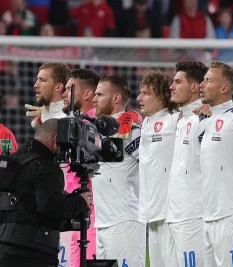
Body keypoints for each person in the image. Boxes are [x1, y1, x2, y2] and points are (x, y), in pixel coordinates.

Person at [0, 119, 92, 267]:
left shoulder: (16, 160)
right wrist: (80, 201)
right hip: (35, 253)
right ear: (56, 139)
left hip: (5, 248)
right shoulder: (47, 168)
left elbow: (29, 207)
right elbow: (50, 207)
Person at [199, 61, 233, 267]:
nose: (202, 84)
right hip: (209, 217)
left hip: (232, 216)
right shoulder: (206, 121)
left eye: (208, 80)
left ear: (224, 88)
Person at [91, 76, 145, 266]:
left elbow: (148, 165)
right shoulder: (97, 130)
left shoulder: (130, 129)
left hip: (124, 221)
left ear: (116, 98)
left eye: (99, 94)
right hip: (102, 222)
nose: (94, 99)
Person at [166, 61, 208, 267]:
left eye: (177, 82)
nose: (171, 87)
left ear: (194, 87)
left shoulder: (204, 120)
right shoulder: (181, 120)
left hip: (194, 216)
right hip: (174, 215)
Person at [137, 71, 179, 267]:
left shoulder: (175, 119)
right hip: (151, 212)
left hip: (170, 213)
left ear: (162, 97)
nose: (139, 98)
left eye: (146, 93)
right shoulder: (146, 123)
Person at [61, 69, 100, 267]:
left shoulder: (95, 126)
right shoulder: (74, 124)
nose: (64, 93)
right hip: (77, 210)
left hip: (92, 211)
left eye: (69, 89)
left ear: (87, 94)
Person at [26, 62, 71, 127]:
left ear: (58, 87)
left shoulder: (64, 121)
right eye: (37, 79)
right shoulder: (45, 115)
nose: (35, 85)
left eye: (42, 80)